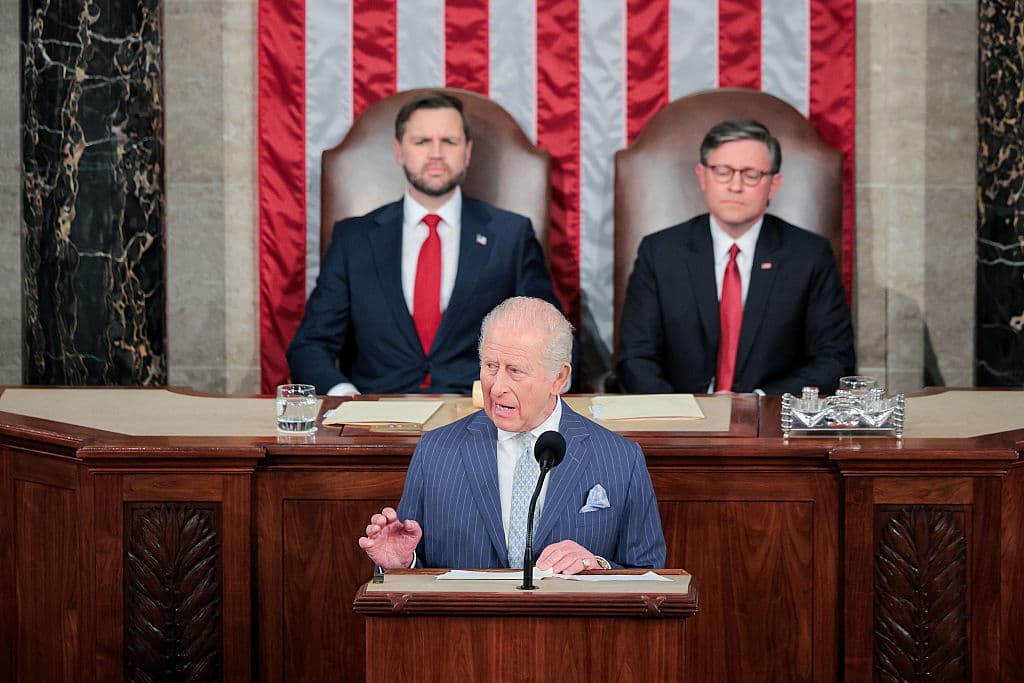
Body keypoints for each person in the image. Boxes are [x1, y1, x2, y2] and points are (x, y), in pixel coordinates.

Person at [359, 297, 666, 572]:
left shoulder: (620, 459)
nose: (497, 386)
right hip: (462, 634)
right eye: (490, 365)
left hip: (572, 634)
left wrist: (597, 565)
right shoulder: (436, 452)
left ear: (559, 378)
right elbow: (411, 571)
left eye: (515, 371)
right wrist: (403, 564)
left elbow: (649, 576)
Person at [287, 92, 560, 396]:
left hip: (482, 417)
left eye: (449, 141)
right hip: (374, 419)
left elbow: (552, 338)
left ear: (467, 152)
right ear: (399, 151)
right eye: (421, 142)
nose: (436, 153)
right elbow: (311, 345)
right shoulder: (354, 239)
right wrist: (344, 397)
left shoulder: (511, 236)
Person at [617, 119, 855, 395]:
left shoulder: (809, 255)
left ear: (774, 184)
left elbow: (835, 360)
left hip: (770, 424)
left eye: (751, 174)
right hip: (678, 422)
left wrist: (757, 402)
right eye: (722, 172)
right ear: (702, 176)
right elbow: (635, 358)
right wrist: (684, 413)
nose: (736, 185)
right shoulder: (659, 252)